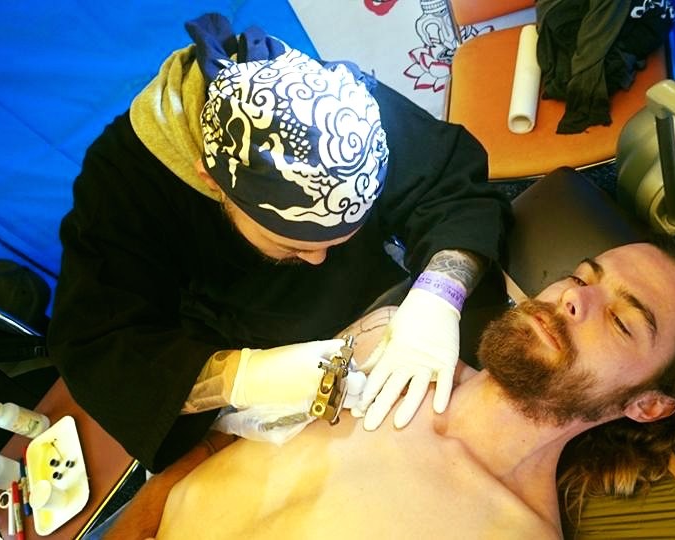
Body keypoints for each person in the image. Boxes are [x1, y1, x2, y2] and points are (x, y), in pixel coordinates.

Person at [47, 14, 512, 472]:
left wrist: (437, 298)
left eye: (337, 239)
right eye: (292, 245)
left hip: (379, 305)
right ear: (212, 182)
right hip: (238, 345)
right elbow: (97, 347)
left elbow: (451, 184)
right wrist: (244, 377)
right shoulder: (121, 184)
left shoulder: (330, 102)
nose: (317, 260)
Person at [100, 234, 675, 539]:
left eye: (621, 320)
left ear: (647, 404)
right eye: (584, 277)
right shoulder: (386, 339)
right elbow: (219, 449)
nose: (573, 299)